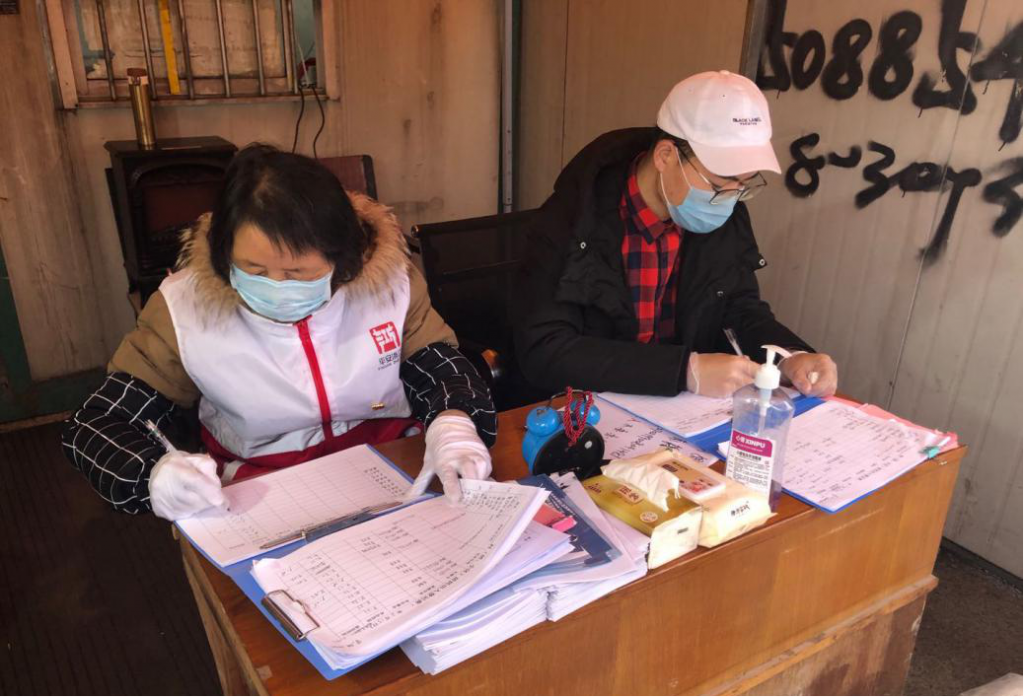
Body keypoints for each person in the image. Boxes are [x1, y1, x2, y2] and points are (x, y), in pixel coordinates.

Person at [62, 144, 496, 520]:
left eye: (297, 273)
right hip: (258, 490)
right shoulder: (185, 308)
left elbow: (438, 364)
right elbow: (95, 423)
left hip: (393, 465)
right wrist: (150, 475)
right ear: (223, 253)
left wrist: (454, 420)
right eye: (253, 270)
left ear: (343, 258)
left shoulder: (389, 283)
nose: (276, 286)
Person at [513, 70, 838, 399]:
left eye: (744, 183)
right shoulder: (574, 218)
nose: (731, 196)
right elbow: (546, 349)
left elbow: (739, 309)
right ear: (665, 156)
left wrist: (791, 355)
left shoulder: (724, 210)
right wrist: (684, 371)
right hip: (593, 408)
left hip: (685, 412)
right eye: (720, 181)